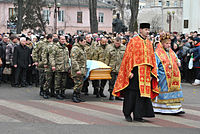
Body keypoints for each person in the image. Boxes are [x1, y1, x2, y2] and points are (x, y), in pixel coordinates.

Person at [112, 23, 159, 122]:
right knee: (131, 94)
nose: (147, 31)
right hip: (135, 72)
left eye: (148, 29)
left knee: (142, 95)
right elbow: (128, 57)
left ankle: (138, 115)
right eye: (145, 29)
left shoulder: (149, 43)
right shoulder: (133, 41)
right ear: (140, 30)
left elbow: (152, 59)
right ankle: (127, 113)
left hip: (146, 72)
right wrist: (129, 71)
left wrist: (151, 73)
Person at [152, 32, 185, 115]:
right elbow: (155, 65)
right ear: (162, 44)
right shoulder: (157, 53)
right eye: (167, 43)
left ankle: (176, 108)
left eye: (170, 43)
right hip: (164, 78)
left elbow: (176, 59)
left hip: (174, 76)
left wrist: (178, 62)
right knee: (164, 92)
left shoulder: (171, 52)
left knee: (175, 92)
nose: (169, 45)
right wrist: (156, 76)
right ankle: (163, 108)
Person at [49, 35, 70, 100]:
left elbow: (67, 58)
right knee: (57, 81)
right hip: (58, 66)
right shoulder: (55, 47)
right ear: (59, 40)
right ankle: (57, 93)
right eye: (62, 39)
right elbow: (51, 57)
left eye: (64, 39)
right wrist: (53, 65)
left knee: (64, 81)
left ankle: (62, 93)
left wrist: (68, 66)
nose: (63, 41)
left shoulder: (65, 48)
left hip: (65, 67)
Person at [71, 36, 87, 103]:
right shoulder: (76, 49)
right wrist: (77, 69)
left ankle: (78, 96)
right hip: (77, 70)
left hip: (82, 69)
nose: (85, 43)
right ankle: (74, 96)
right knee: (77, 83)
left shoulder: (82, 48)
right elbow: (73, 60)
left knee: (80, 83)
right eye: (84, 41)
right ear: (80, 41)